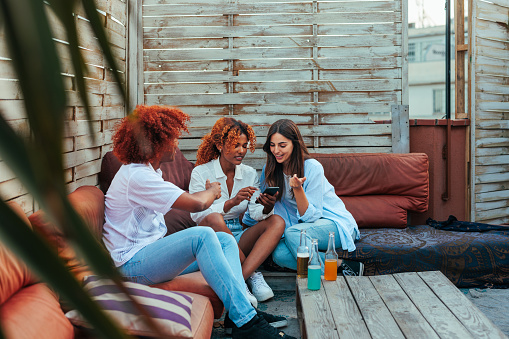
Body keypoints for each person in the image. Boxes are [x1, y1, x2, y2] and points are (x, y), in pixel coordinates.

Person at [102, 105, 295, 339]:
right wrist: (214, 191)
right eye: (172, 139)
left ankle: (239, 314)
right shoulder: (137, 176)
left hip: (148, 257)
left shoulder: (150, 172)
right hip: (131, 264)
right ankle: (248, 322)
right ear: (155, 144)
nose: (176, 145)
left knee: (224, 240)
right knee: (201, 235)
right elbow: (197, 205)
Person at [244, 119, 363, 276]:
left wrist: (298, 189)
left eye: (282, 145)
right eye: (272, 145)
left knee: (294, 234)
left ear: (294, 144)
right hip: (299, 229)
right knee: (278, 254)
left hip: (332, 224)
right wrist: (250, 223)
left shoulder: (312, 168)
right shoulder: (270, 170)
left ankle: (321, 281)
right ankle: (343, 266)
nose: (276, 150)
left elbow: (312, 217)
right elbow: (262, 205)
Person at [189, 117, 286, 306]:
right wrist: (232, 202)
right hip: (211, 235)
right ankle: (247, 281)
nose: (241, 151)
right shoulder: (200, 172)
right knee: (215, 218)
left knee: (277, 221)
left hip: (238, 234)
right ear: (219, 144)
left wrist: (266, 206)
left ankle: (241, 278)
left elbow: (256, 213)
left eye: (244, 145)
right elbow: (197, 214)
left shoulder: (249, 173)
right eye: (235, 145)